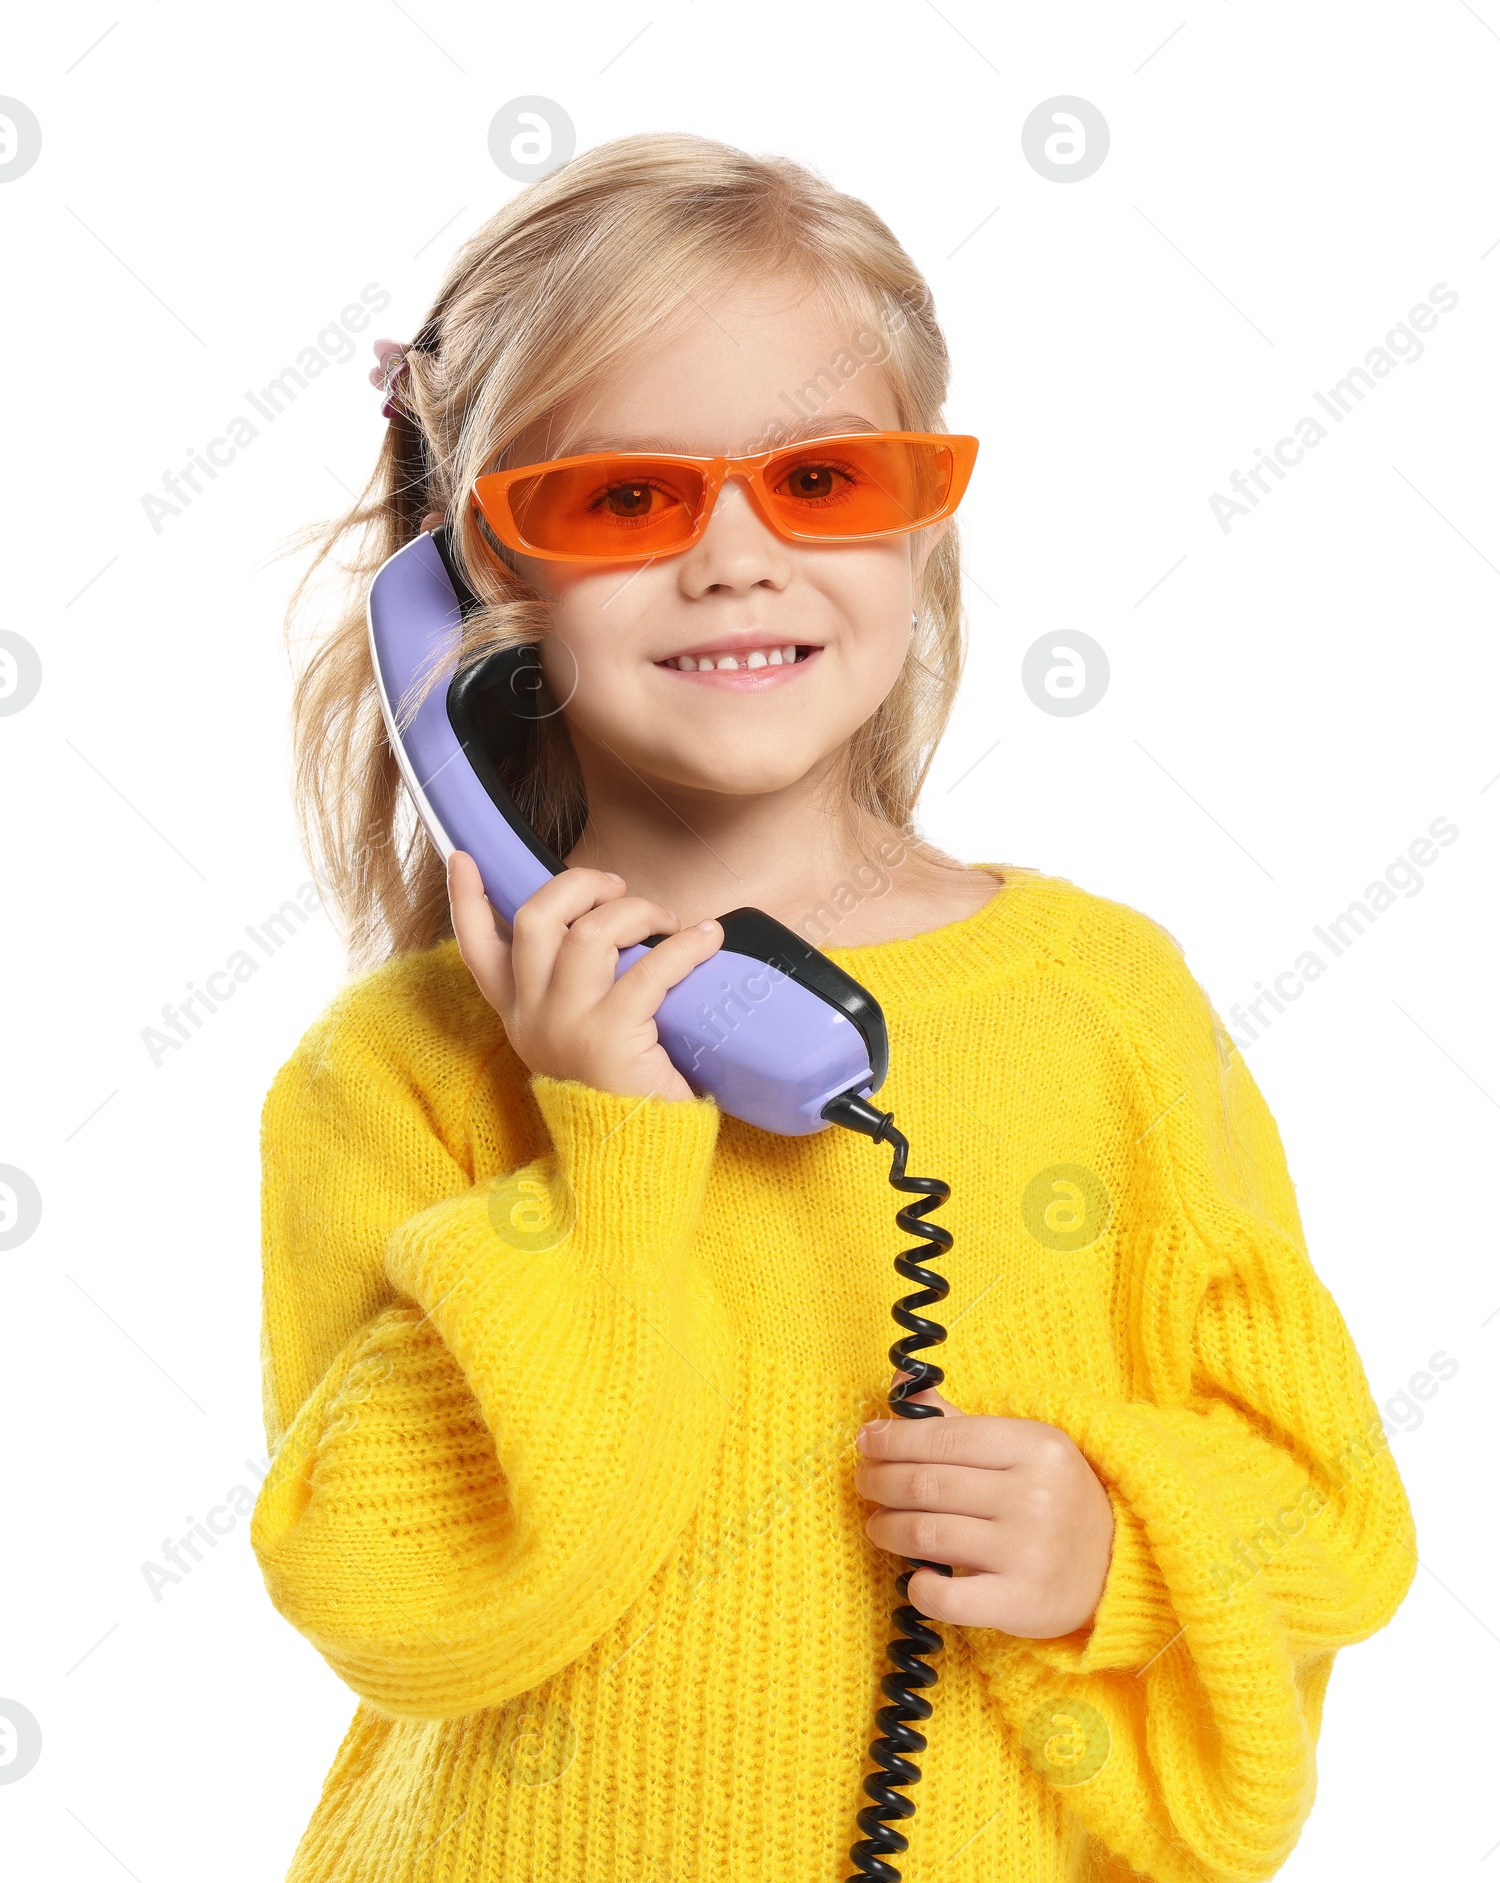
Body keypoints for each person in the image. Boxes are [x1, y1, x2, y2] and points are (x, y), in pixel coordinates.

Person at [249, 131, 1415, 1883]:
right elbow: (406, 1605)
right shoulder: (394, 1077)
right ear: (473, 573)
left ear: (922, 520)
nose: (735, 558)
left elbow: (1330, 1504)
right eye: (626, 499)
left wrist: (1120, 1538)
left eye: (825, 479)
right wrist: (606, 1150)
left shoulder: (1103, 1006)